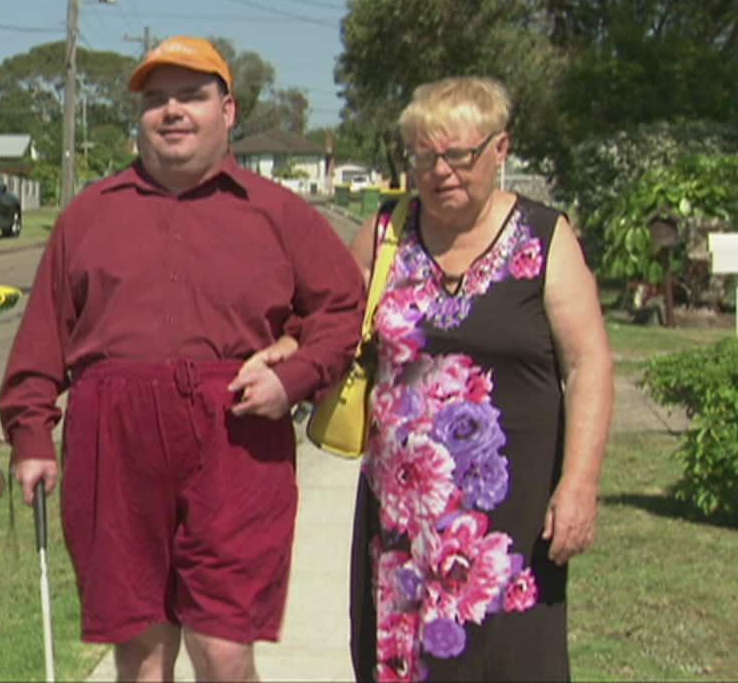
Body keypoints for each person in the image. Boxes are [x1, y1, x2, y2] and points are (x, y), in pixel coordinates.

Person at [0, 35, 365, 682]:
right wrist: (30, 436)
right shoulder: (88, 216)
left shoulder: (277, 213)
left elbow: (342, 311)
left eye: (191, 96)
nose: (172, 112)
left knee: (224, 648)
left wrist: (295, 378)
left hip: (237, 439)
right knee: (141, 651)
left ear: (228, 110)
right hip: (113, 442)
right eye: (156, 100)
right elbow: (42, 340)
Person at [261, 76, 613, 680]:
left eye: (458, 155)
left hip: (513, 521)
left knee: (513, 664)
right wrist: (287, 350)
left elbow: (589, 364)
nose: (440, 170)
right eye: (425, 156)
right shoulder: (385, 233)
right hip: (401, 517)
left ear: (500, 149)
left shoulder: (544, 236)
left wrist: (579, 484)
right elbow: (334, 323)